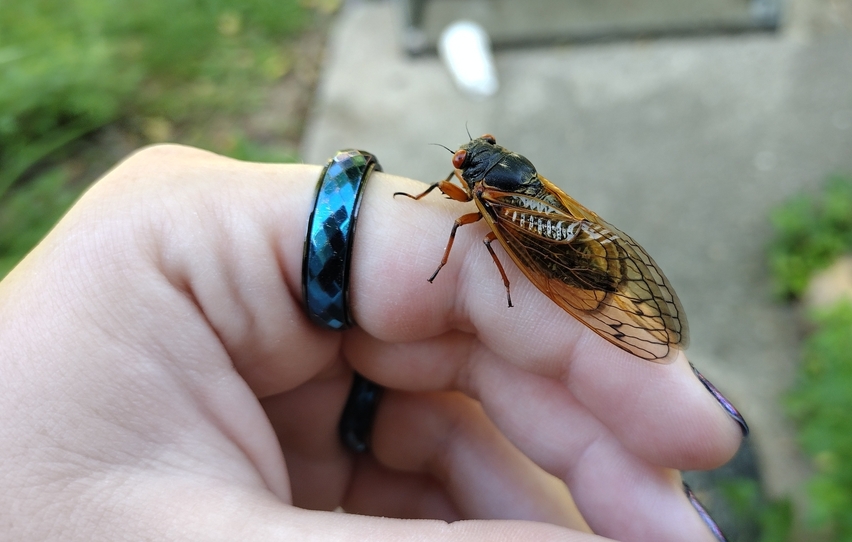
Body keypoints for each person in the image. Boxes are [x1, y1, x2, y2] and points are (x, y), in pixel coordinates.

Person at [0, 144, 744, 541]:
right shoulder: (495, 187)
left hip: (555, 244)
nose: (459, 167)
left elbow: (468, 231)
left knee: (505, 258)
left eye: (464, 165)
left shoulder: (481, 202)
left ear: (475, 176)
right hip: (559, 223)